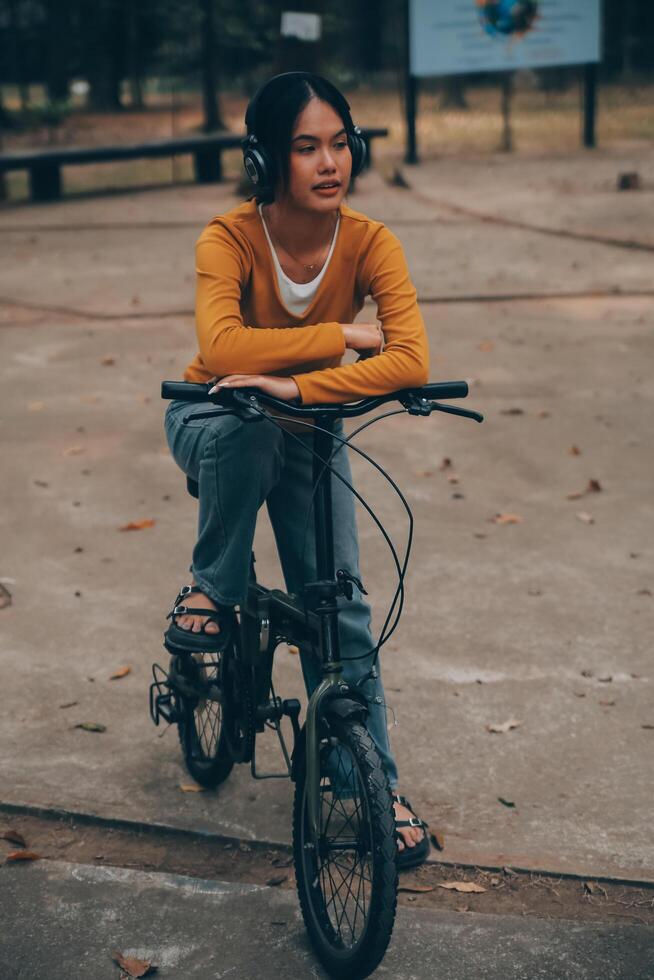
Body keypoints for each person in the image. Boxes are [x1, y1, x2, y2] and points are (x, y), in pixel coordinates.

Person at [163, 71, 430, 869]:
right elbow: (221, 351)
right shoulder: (229, 237)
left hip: (309, 425)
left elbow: (414, 356)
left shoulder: (372, 241)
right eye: (306, 146)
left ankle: (372, 780)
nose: (329, 163)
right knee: (249, 435)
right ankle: (213, 585)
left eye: (340, 143)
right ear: (267, 157)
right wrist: (343, 338)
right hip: (213, 418)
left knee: (343, 608)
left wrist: (297, 386)